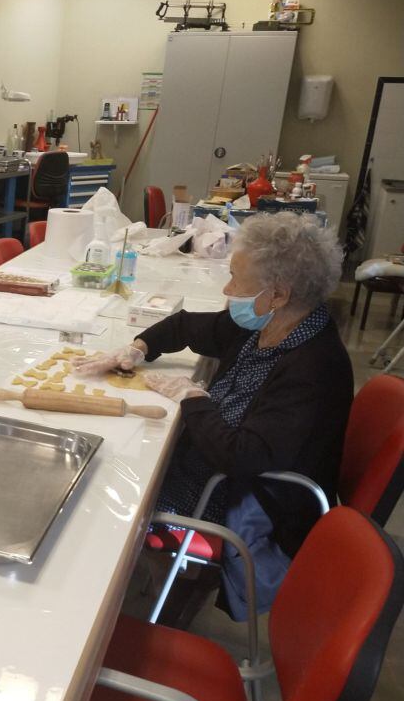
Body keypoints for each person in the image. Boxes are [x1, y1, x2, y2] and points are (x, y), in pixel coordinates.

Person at [75, 212, 353, 619]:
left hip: (245, 498)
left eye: (236, 279)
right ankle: (134, 578)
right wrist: (136, 347)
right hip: (219, 465)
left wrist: (191, 397)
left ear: (277, 294)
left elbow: (243, 456)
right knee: (115, 457)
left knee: (106, 491)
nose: (227, 289)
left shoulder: (313, 368)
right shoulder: (268, 326)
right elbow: (185, 326)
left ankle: (104, 601)